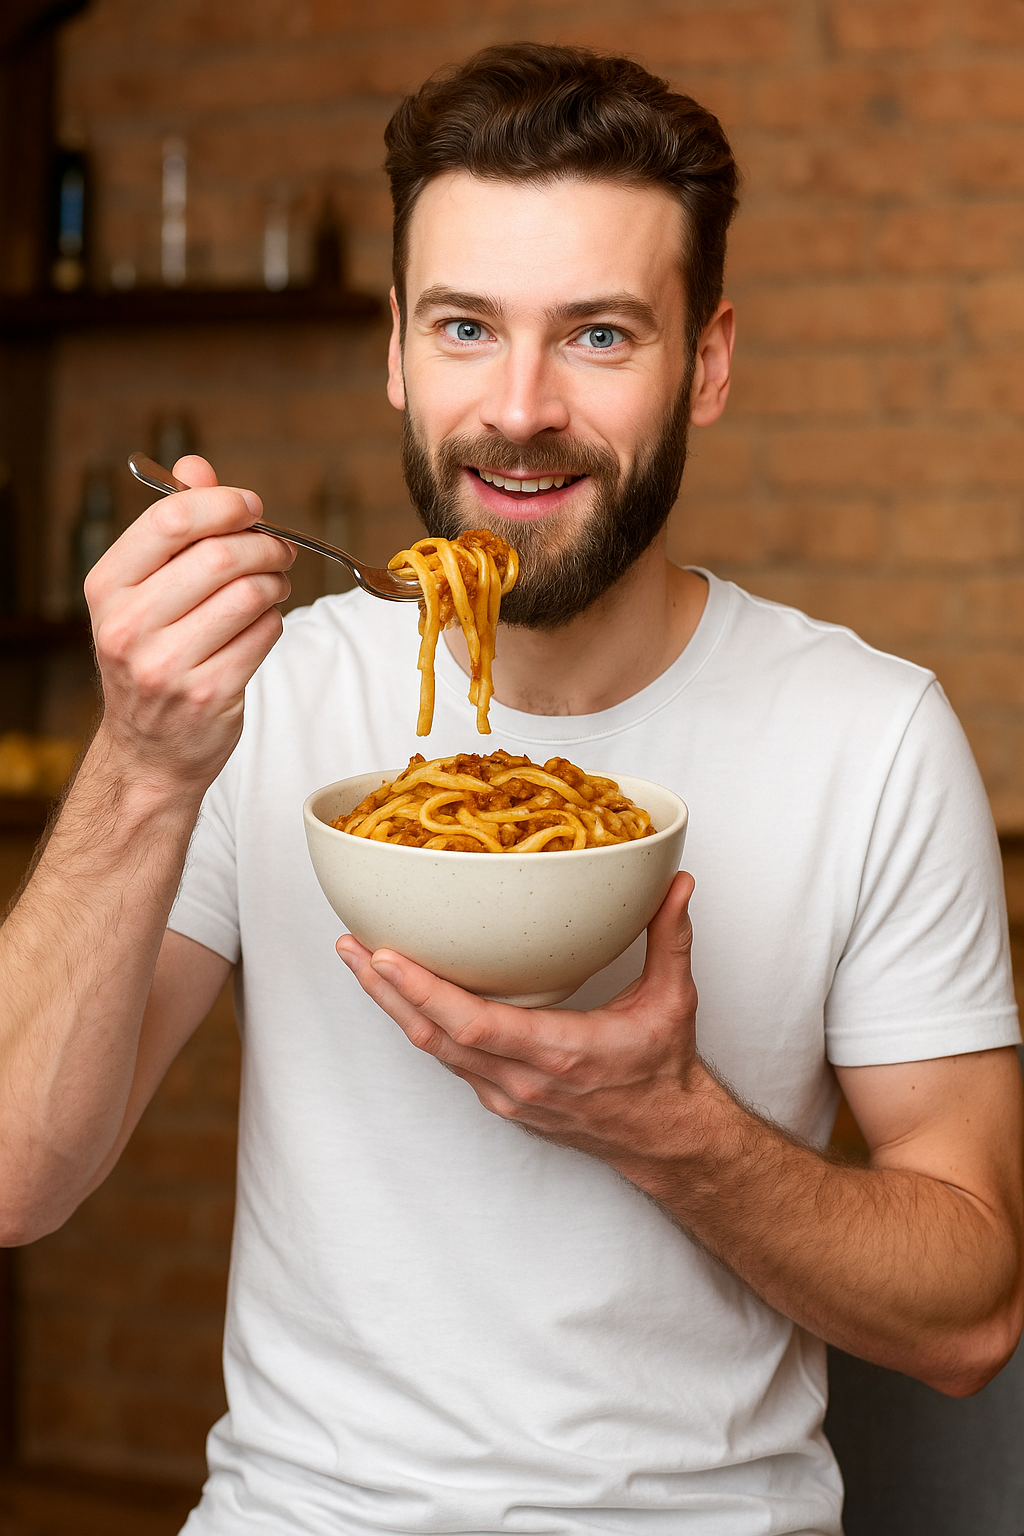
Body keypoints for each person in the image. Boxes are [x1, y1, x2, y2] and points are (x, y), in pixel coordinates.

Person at [1, 42, 1021, 1536]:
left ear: (711, 361)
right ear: (399, 353)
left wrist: (670, 1125)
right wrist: (143, 762)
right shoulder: (264, 696)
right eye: (469, 327)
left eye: (600, 335)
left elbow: (971, 1309)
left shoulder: (868, 735)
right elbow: (19, 1179)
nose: (521, 407)